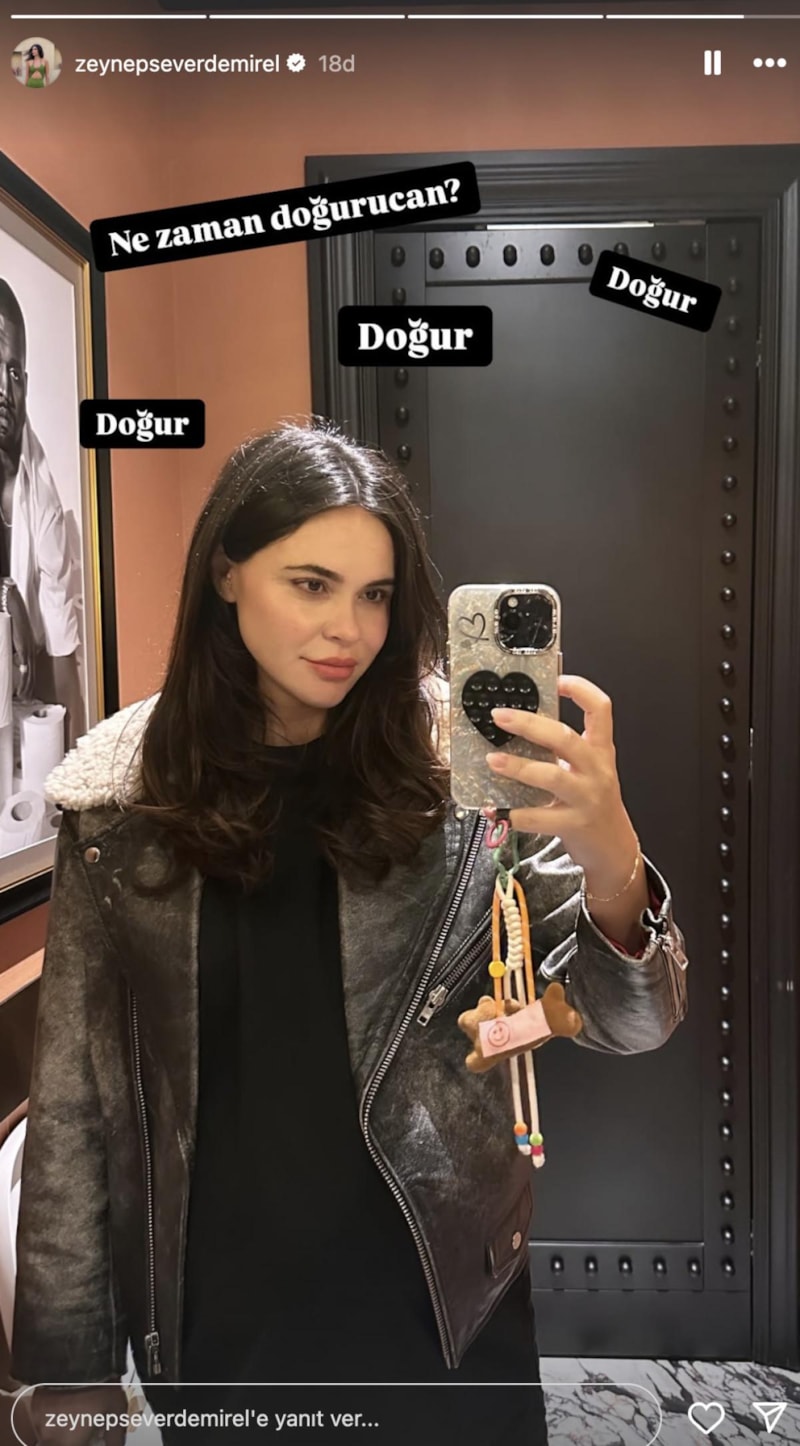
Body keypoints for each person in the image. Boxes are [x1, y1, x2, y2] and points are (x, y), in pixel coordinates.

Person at [8, 420, 688, 1445]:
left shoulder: (461, 777)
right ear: (227, 575)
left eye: (375, 595)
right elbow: (73, 1109)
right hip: (223, 1317)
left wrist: (610, 851)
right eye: (311, 584)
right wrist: (66, 1376)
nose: (349, 631)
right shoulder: (118, 802)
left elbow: (629, 1022)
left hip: (438, 1301)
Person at [0, 278, 84, 753]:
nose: (3, 389)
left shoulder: (42, 496)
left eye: (13, 372)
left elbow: (61, 638)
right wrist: (6, 593)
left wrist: (77, 754)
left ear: (26, 385)